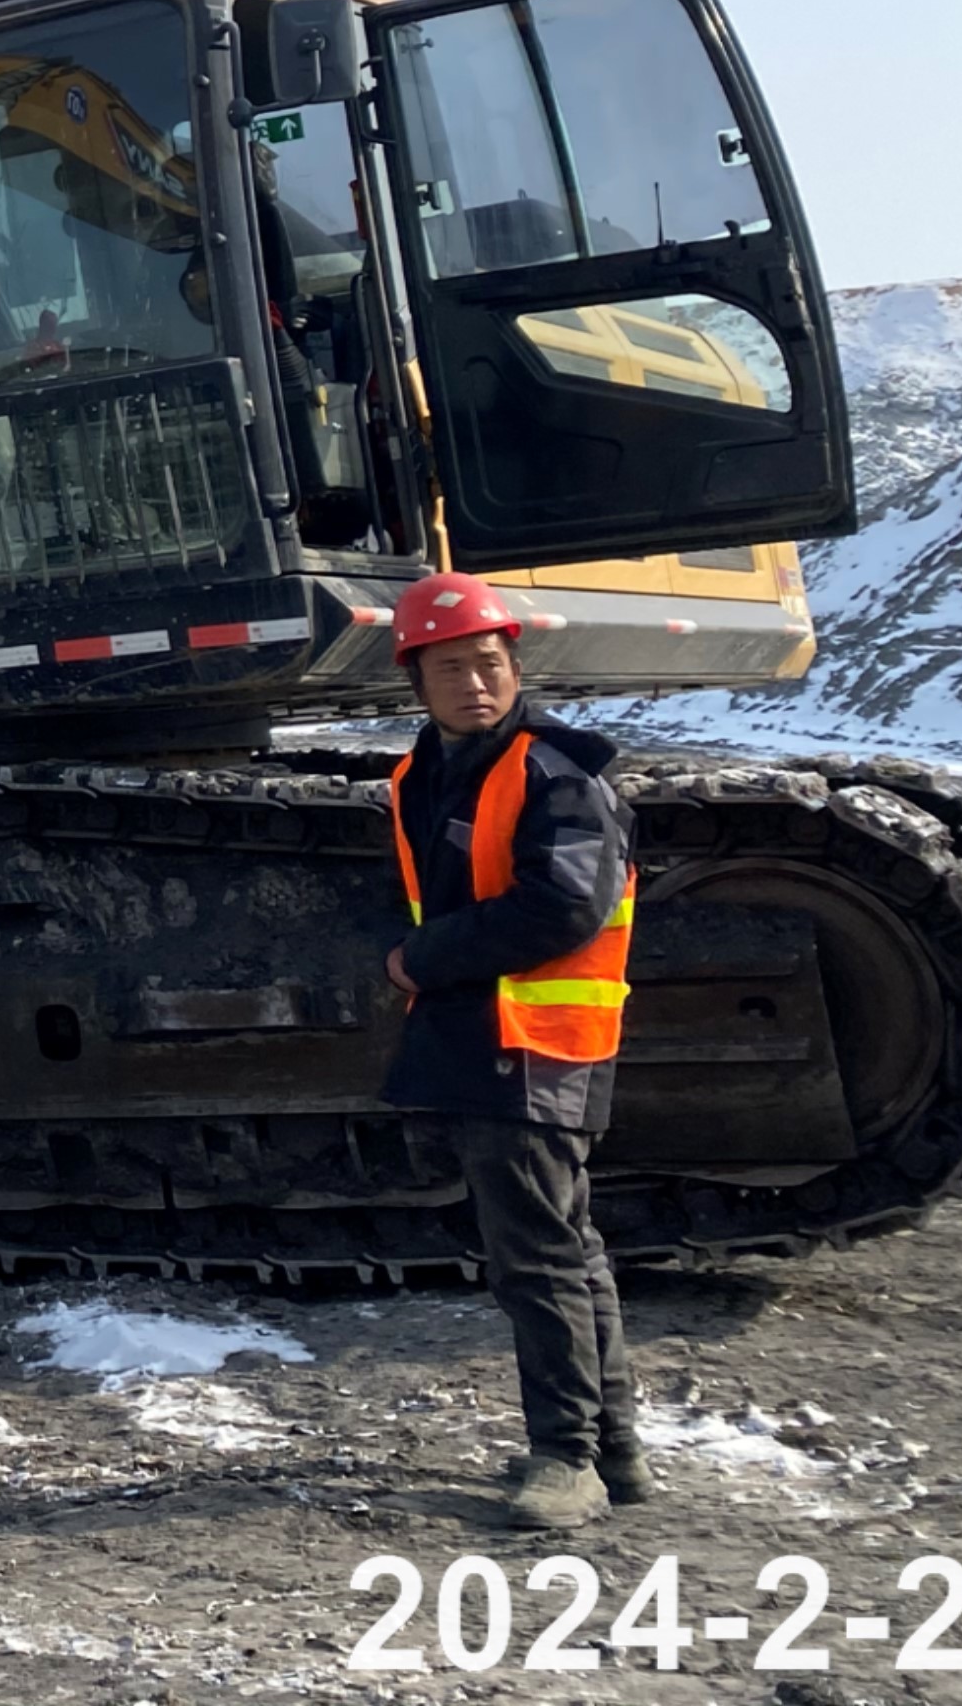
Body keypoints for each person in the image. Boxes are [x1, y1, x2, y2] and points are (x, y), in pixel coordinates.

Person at [379, 569, 644, 1530]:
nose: (475, 683)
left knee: (537, 1262)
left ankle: (567, 1460)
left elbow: (563, 906)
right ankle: (613, 1452)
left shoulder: (553, 773)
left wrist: (419, 960)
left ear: (515, 666)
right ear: (417, 679)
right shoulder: (426, 774)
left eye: (489, 663)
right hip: (487, 1038)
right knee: (567, 1250)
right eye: (452, 668)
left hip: (534, 1046)